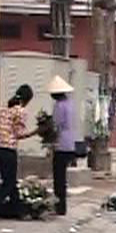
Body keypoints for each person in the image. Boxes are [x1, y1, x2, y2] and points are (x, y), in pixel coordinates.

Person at [0, 84, 38, 215]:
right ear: (27, 99)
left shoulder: (4, 109)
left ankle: (18, 209)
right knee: (9, 183)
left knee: (9, 180)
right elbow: (18, 133)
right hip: (9, 148)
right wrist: (35, 132)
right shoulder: (20, 111)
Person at [47, 75, 76, 216]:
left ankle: (60, 206)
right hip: (70, 142)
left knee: (58, 177)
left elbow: (56, 124)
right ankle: (61, 206)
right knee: (62, 176)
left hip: (61, 143)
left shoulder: (59, 106)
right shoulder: (70, 103)